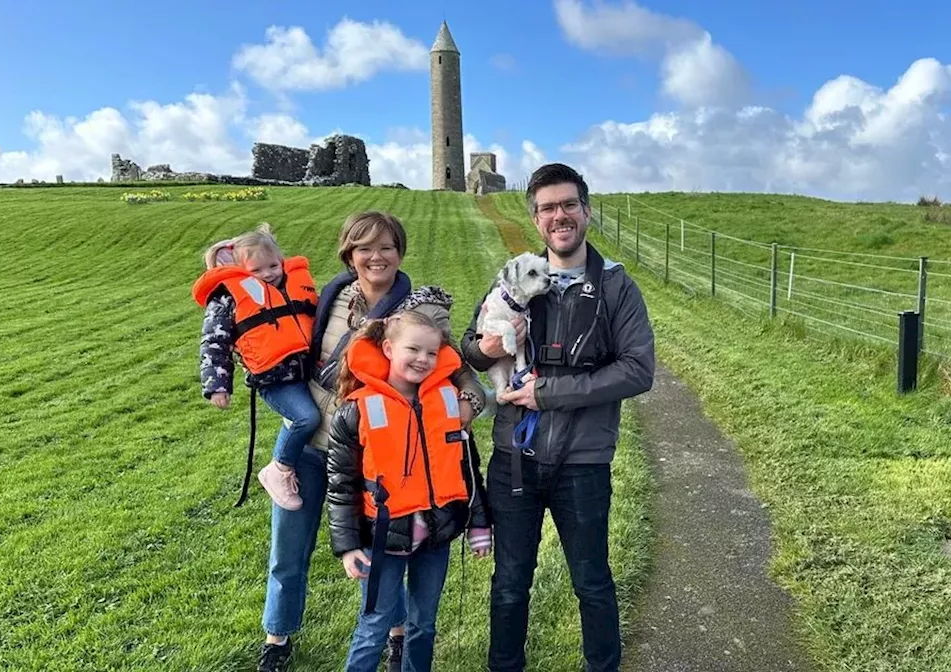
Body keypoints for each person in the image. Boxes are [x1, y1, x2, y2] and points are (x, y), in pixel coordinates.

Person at [256, 211, 488, 672]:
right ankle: (277, 638)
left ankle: (397, 636)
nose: (375, 256)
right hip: (312, 442)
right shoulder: (329, 297)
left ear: (400, 252)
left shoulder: (417, 311)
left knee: (391, 540)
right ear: (349, 254)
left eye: (386, 246)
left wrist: (465, 405)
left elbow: (462, 377)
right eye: (364, 247)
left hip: (374, 456)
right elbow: (287, 348)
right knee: (289, 546)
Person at [461, 163, 655, 671]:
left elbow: (637, 370)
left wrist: (549, 392)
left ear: (586, 211)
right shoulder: (514, 277)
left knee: (592, 582)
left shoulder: (616, 287)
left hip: (582, 460)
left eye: (569, 204)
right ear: (536, 218)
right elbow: (469, 346)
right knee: (508, 585)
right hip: (514, 460)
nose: (559, 216)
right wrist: (484, 348)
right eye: (548, 208)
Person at [327, 309, 493, 672]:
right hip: (383, 539)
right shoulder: (357, 411)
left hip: (437, 536)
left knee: (424, 624)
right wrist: (348, 545)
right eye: (413, 350)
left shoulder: (450, 401)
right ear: (388, 348)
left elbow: (467, 468)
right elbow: (341, 484)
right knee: (374, 624)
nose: (423, 359)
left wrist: (479, 524)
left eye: (432, 353)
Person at [193, 223, 322, 511]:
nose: (268, 275)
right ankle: (278, 470)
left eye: (273, 266)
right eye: (257, 271)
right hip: (273, 379)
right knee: (306, 418)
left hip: (306, 372)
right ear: (241, 270)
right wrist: (217, 386)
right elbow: (214, 341)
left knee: (316, 419)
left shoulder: (292, 284)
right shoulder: (228, 296)